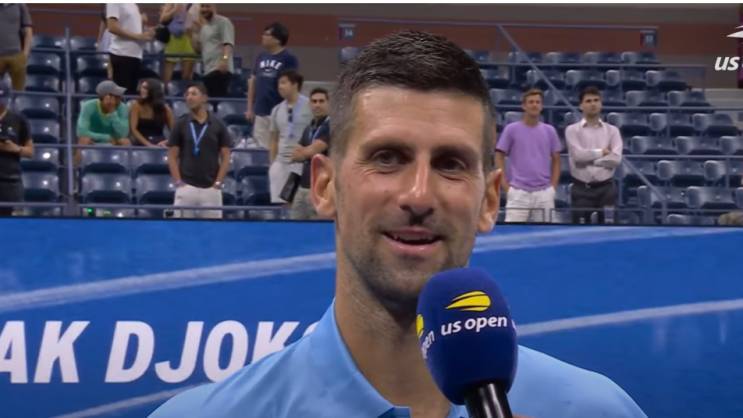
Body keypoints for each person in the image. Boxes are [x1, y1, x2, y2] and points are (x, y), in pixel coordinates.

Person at [150, 31, 645, 418]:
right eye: (387, 158)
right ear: (324, 186)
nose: (418, 195)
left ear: (490, 199)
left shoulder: (596, 410)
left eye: (450, 164)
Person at [495, 88, 561, 223]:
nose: (534, 105)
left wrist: (552, 187)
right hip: (518, 193)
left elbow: (557, 159)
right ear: (524, 106)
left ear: (541, 106)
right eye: (531, 102)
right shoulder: (511, 129)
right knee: (513, 233)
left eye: (538, 102)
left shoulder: (550, 131)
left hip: (544, 193)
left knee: (546, 233)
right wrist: (505, 186)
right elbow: (499, 155)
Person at [167, 82, 232, 219]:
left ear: (204, 98)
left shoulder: (218, 124)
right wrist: (178, 183)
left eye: (194, 94)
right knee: (181, 228)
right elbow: (172, 156)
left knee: (212, 230)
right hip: (186, 187)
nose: (189, 97)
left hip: (211, 189)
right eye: (187, 94)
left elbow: (226, 156)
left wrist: (218, 183)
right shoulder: (180, 123)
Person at [565, 86, 623, 224]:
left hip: (606, 189)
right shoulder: (572, 130)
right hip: (581, 189)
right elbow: (578, 157)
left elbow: (616, 160)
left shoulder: (612, 131)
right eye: (588, 101)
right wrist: (601, 152)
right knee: (579, 231)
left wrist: (590, 160)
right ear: (581, 106)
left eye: (596, 100)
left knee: (610, 230)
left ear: (601, 103)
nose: (593, 104)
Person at [245, 22, 299, 150]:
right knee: (260, 150)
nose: (263, 37)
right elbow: (252, 81)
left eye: (267, 34)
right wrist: (250, 108)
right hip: (260, 112)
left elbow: (292, 86)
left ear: (277, 39)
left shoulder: (289, 59)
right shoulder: (261, 57)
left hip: (280, 113)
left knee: (277, 150)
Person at [267, 69, 312, 204]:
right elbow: (274, 139)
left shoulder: (310, 106)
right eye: (278, 83)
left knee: (298, 205)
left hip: (301, 164)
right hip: (281, 163)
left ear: (295, 84)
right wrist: (273, 163)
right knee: (281, 206)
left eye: (283, 83)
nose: (279, 87)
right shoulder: (276, 110)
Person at [288, 87, 330, 220]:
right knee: (294, 225)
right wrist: (305, 153)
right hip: (303, 187)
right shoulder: (309, 127)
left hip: (322, 190)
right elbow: (295, 153)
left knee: (318, 229)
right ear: (310, 104)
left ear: (328, 103)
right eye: (314, 101)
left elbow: (312, 151)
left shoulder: (331, 126)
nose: (317, 105)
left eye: (321, 101)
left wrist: (305, 153)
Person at [76, 80, 131, 165]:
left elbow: (124, 133)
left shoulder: (123, 108)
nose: (120, 98)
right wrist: (107, 138)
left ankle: (125, 169)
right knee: (83, 140)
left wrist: (112, 112)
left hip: (115, 141)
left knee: (126, 141)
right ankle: (76, 168)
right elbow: (81, 132)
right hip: (93, 140)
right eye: (116, 96)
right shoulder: (88, 106)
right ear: (104, 97)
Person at [0, 81, 33, 216]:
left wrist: (15, 148)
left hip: (11, 182)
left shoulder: (19, 120)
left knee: (10, 222)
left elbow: (30, 152)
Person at [106, 3, 154, 94]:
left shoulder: (133, 4)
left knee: (131, 95)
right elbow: (112, 27)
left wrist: (145, 32)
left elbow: (133, 29)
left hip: (135, 56)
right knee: (123, 95)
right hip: (122, 54)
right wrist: (138, 36)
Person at [191, 4, 234, 98]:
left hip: (219, 70)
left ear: (214, 7)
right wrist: (194, 33)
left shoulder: (223, 21)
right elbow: (198, 50)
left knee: (218, 100)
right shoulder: (204, 27)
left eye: (207, 6)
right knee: (210, 101)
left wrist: (224, 60)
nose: (204, 9)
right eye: (202, 6)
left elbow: (228, 44)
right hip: (208, 71)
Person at [130, 78, 175, 147]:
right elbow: (133, 129)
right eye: (142, 87)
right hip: (141, 142)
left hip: (160, 142)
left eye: (145, 88)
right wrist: (148, 144)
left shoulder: (165, 109)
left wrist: (166, 142)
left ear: (153, 91)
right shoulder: (136, 106)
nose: (141, 90)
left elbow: (175, 132)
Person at [159, 3, 197, 85]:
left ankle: (186, 90)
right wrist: (175, 10)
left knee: (187, 75)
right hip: (173, 39)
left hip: (187, 38)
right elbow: (162, 19)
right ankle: (165, 90)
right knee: (167, 74)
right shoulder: (171, 3)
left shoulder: (193, 5)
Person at [0, 4, 32, 91]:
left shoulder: (20, 5)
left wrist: (25, 54)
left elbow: (28, 31)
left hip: (16, 56)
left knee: (19, 91)